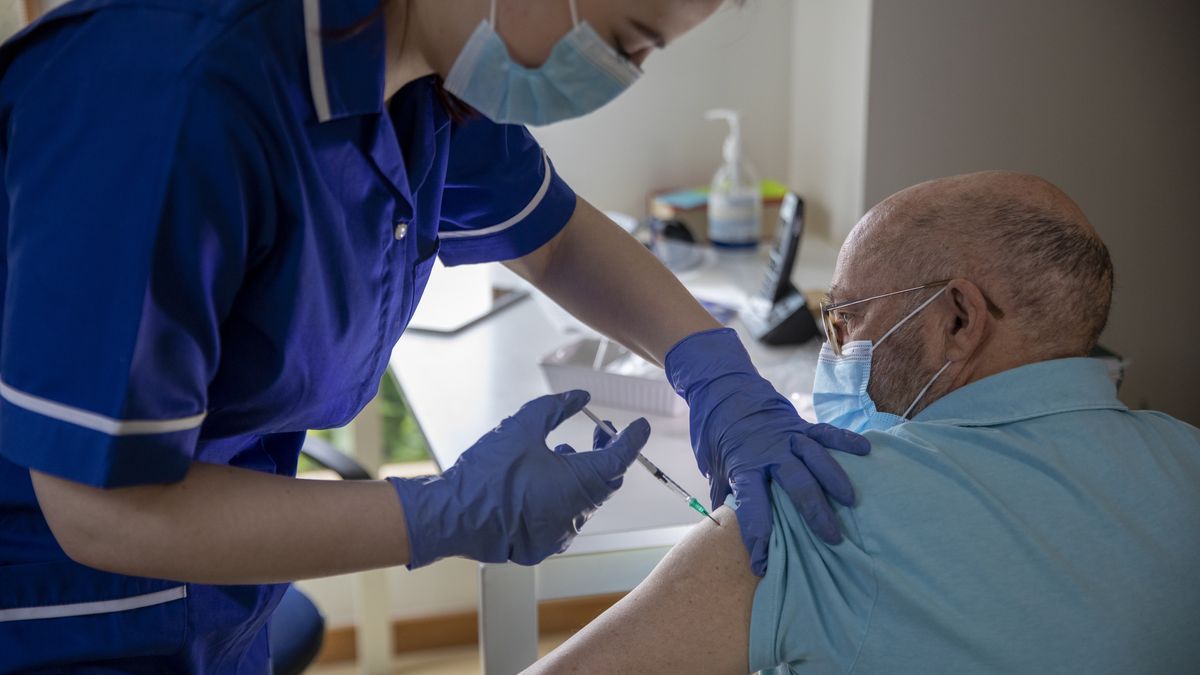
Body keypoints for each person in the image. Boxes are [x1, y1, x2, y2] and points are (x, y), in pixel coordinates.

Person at [0, 0, 869, 671]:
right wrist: (442, 512)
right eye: (629, 40)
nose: (624, 74)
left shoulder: (420, 79)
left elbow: (556, 237)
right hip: (55, 614)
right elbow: (100, 511)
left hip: (210, 603)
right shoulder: (171, 92)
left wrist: (713, 366)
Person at [528, 171, 1200, 674]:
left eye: (848, 319)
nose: (836, 349)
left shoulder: (824, 502)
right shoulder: (1187, 459)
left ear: (958, 319)